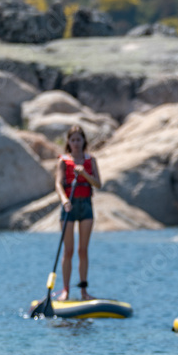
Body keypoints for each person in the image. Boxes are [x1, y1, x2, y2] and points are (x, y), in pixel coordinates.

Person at [55, 125, 101, 301]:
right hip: (69, 206)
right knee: (69, 250)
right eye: (72, 140)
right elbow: (58, 184)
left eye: (78, 140)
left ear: (83, 141)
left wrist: (84, 174)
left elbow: (98, 183)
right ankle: (65, 290)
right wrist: (64, 200)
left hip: (86, 206)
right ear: (68, 142)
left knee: (83, 250)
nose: (75, 143)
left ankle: (83, 291)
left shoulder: (91, 160)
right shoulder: (63, 161)